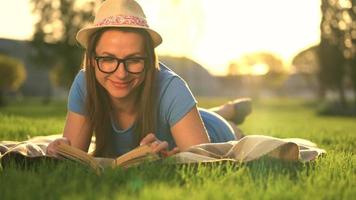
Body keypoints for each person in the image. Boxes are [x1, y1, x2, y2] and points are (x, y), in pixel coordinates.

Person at [46, 0, 251, 158]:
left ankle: (227, 115)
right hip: (181, 116)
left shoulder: (172, 87)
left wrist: (172, 157)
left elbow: (204, 159)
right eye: (108, 59)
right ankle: (227, 109)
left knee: (221, 124)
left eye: (134, 60)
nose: (121, 73)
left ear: (149, 60)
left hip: (215, 129)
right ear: (91, 59)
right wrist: (60, 152)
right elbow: (74, 154)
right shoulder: (85, 84)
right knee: (192, 113)